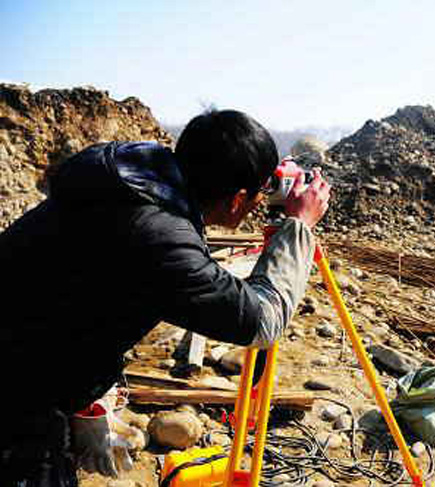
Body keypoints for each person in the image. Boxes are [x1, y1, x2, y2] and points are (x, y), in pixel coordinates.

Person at [0, 109, 331, 486]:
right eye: (259, 191)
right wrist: (298, 228)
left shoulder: (123, 179)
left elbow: (77, 299)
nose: (261, 199)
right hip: (18, 404)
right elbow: (264, 321)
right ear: (237, 199)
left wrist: (88, 395)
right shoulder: (161, 240)